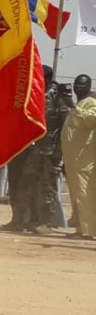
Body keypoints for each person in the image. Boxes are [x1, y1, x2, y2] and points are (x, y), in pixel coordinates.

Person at [10, 66, 71, 233]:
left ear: (48, 78)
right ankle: (21, 220)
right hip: (32, 149)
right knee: (26, 186)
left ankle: (46, 223)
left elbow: (64, 126)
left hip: (49, 151)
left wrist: (59, 151)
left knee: (47, 188)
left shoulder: (58, 98)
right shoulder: (34, 94)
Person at [61, 74, 96, 237]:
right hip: (72, 159)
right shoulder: (79, 104)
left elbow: (92, 120)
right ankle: (81, 228)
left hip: (84, 159)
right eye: (76, 84)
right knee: (76, 195)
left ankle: (89, 231)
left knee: (84, 195)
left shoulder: (90, 103)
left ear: (89, 87)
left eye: (82, 85)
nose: (77, 87)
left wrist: (75, 109)